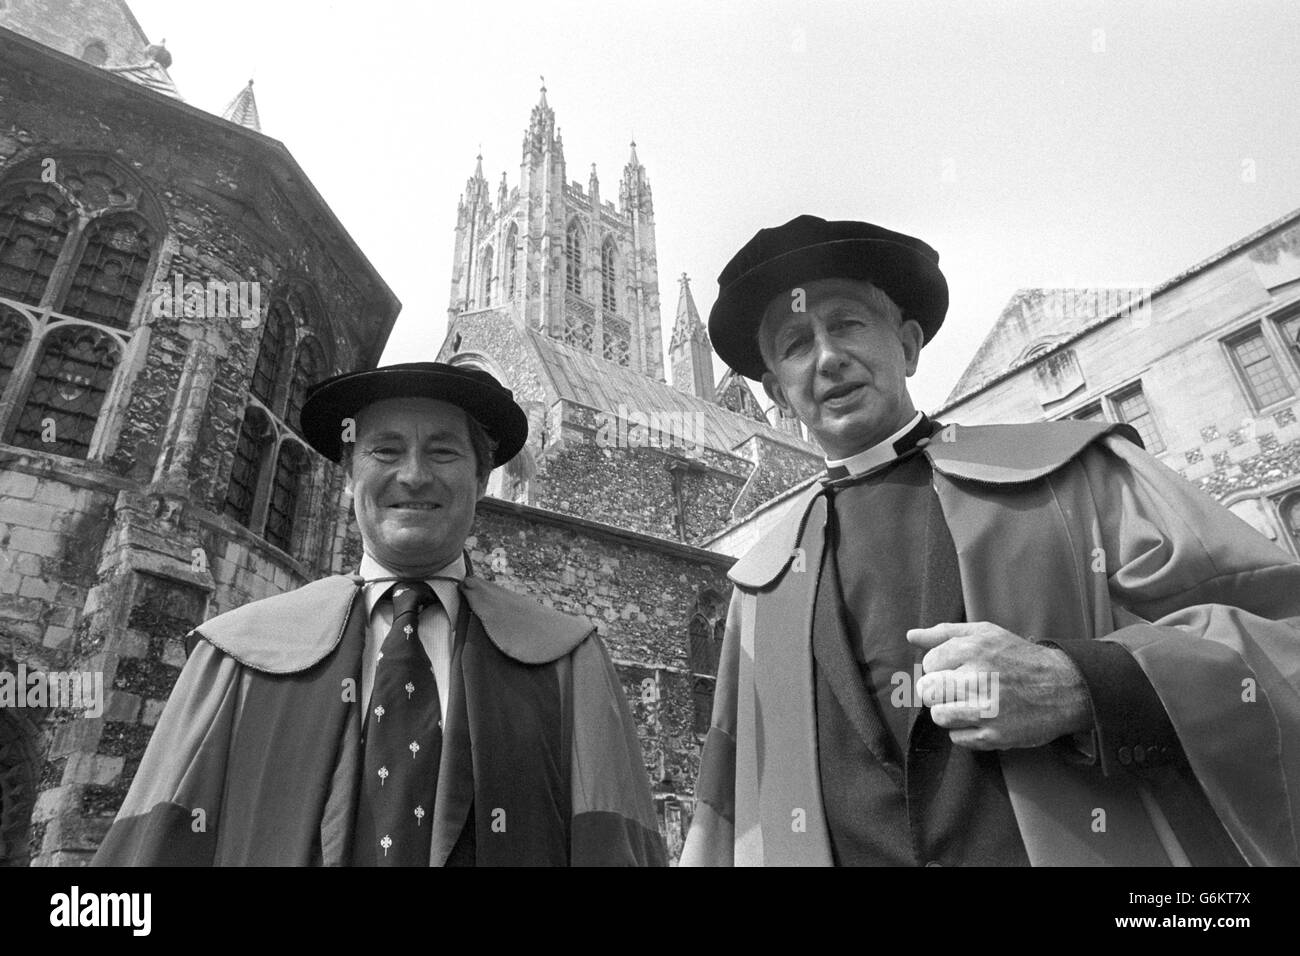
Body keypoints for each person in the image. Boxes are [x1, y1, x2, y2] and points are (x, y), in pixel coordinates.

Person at [682, 215, 1300, 866]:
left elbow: (1283, 640)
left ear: (909, 343)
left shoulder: (1077, 477)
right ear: (778, 390)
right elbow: (726, 812)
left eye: (846, 323)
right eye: (796, 343)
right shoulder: (762, 585)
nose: (828, 356)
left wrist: (1085, 684)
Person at [94, 362, 666, 866]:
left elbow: (613, 849)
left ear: (482, 479)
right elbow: (150, 852)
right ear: (349, 477)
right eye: (385, 451)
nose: (414, 474)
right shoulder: (237, 657)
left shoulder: (569, 662)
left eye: (443, 451)